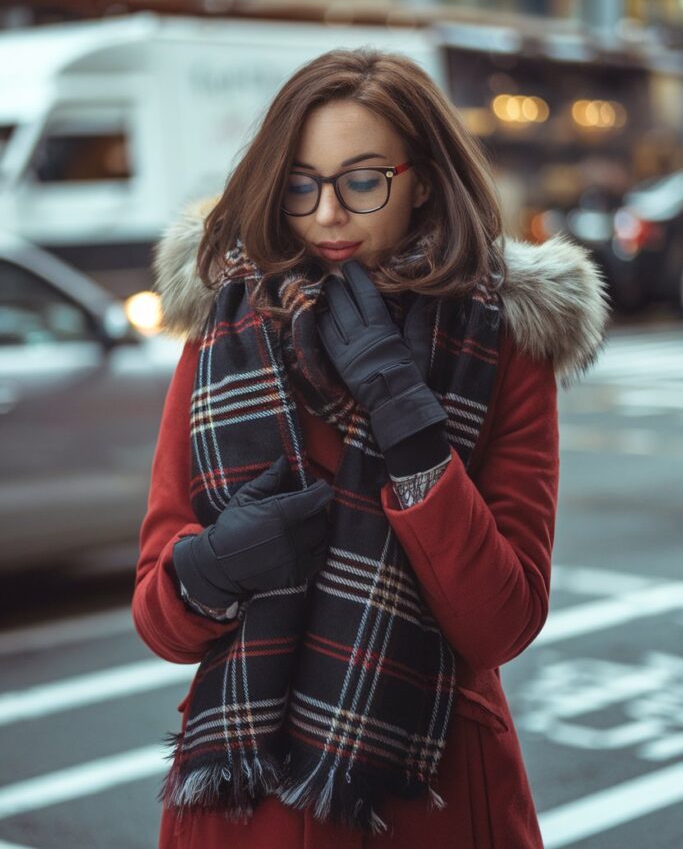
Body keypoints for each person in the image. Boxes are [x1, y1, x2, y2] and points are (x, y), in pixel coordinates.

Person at [132, 47, 609, 849]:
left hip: (427, 794)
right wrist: (213, 565)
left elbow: (501, 624)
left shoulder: (502, 344)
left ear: (419, 177)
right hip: (245, 807)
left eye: (361, 181)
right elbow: (160, 620)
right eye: (298, 184)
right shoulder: (224, 335)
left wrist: (412, 431)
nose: (325, 216)